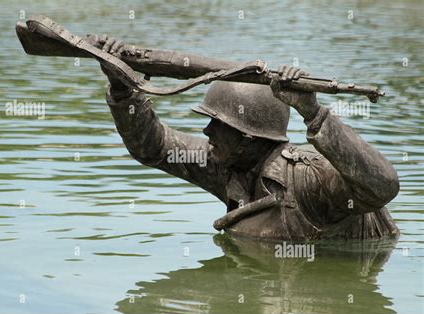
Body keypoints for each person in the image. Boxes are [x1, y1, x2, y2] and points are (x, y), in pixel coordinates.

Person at [93, 36, 400, 241]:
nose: (206, 132)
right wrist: (123, 88)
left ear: (249, 138)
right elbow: (154, 146)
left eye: (218, 124)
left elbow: (382, 185)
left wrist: (314, 113)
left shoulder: (309, 177)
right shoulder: (222, 162)